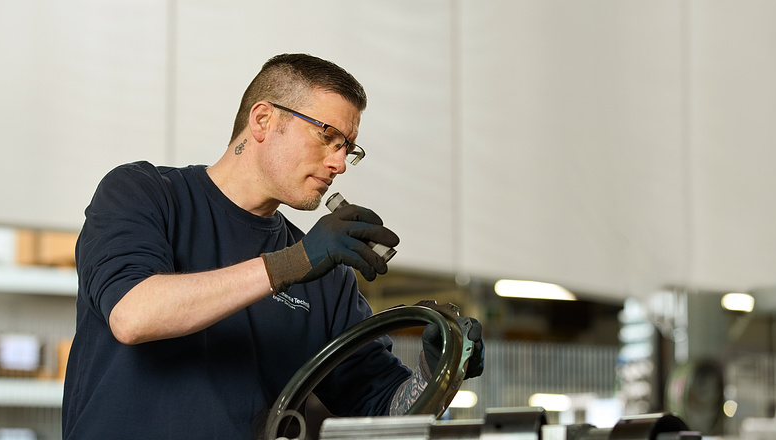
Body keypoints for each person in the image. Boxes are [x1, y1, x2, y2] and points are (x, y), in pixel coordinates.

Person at [61, 53, 483, 439]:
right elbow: (133, 315)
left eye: (347, 149)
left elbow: (384, 410)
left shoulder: (325, 276)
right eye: (327, 136)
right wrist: (294, 263)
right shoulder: (144, 192)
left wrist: (441, 369)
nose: (338, 164)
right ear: (263, 120)